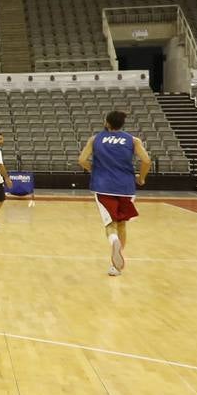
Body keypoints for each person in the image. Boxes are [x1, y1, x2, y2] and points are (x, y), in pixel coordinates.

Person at [78, 110, 151, 277]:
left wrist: (94, 170)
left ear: (107, 123)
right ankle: (116, 266)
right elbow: (146, 161)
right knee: (122, 224)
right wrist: (141, 179)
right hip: (126, 187)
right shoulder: (133, 140)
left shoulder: (95, 139)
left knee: (110, 224)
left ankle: (113, 241)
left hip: (103, 186)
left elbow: (82, 160)